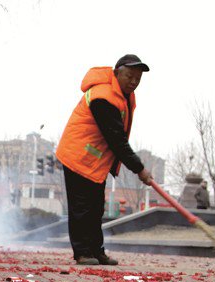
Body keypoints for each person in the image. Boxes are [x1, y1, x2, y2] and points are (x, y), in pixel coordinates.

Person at [56, 54, 155, 266]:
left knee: (96, 208)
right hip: (78, 155)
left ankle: (96, 251)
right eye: (129, 76)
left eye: (138, 79)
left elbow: (117, 138)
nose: (133, 82)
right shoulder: (103, 97)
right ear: (117, 72)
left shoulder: (121, 95)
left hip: (94, 161)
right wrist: (139, 169)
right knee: (82, 208)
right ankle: (82, 253)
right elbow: (116, 139)